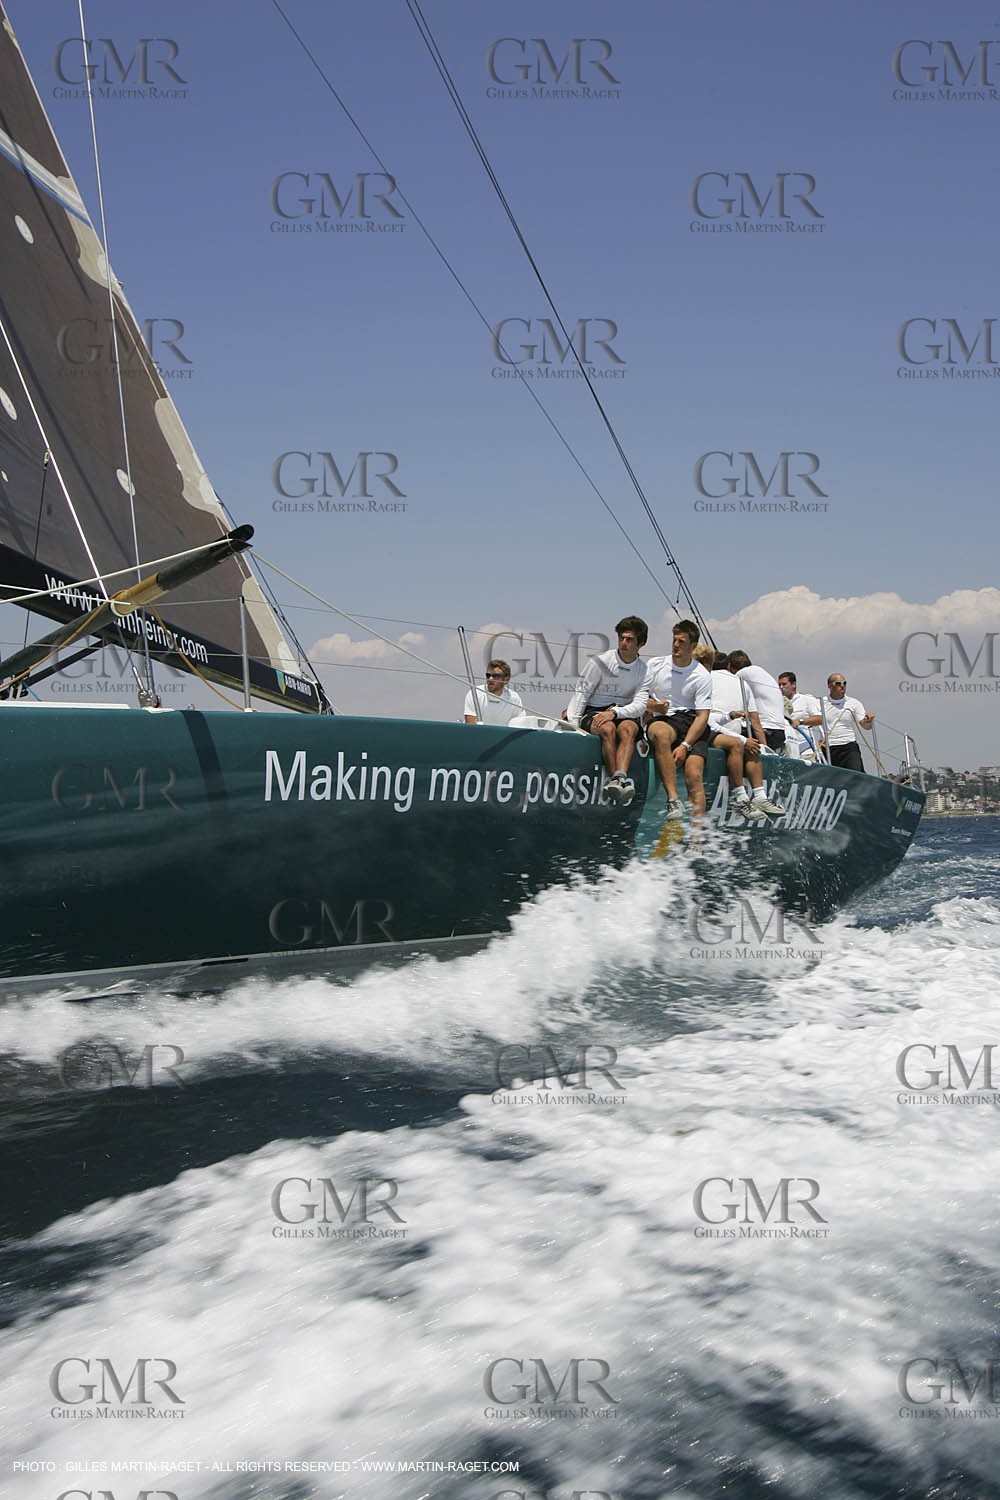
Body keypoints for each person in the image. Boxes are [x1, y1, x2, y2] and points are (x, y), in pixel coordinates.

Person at [687, 645, 784, 821]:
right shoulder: (736, 682)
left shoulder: (734, 682)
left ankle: (760, 796)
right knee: (740, 744)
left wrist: (758, 745)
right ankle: (741, 797)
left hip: (722, 732)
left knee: (750, 746)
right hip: (712, 733)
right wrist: (761, 745)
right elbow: (755, 722)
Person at [565, 616, 649, 804]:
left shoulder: (644, 670)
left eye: (629, 639)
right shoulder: (600, 662)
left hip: (623, 712)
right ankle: (617, 781)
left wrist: (615, 712)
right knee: (608, 728)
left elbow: (641, 705)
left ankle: (619, 779)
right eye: (621, 638)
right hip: (594, 711)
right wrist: (574, 725)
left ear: (641, 644)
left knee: (627, 728)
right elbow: (581, 694)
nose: (624, 643)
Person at [643, 620, 714, 821]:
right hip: (665, 718)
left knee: (694, 775)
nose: (675, 645)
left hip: (691, 722)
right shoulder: (655, 665)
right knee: (660, 733)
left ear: (692, 646)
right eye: (674, 640)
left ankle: (696, 840)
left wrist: (685, 745)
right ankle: (673, 799)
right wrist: (654, 706)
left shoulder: (701, 675)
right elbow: (639, 698)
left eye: (681, 642)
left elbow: (703, 716)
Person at [726, 650, 789, 755]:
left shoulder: (742, 673)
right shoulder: (760, 672)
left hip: (766, 730)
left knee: (726, 734)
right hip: (779, 731)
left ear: (729, 666)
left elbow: (725, 684)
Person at [820, 673, 874, 772]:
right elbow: (814, 721)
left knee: (856, 775)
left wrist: (868, 721)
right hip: (829, 747)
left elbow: (865, 726)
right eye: (838, 683)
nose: (842, 686)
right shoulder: (821, 703)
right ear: (829, 686)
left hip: (849, 746)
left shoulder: (854, 703)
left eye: (844, 683)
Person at [777, 670, 822, 762]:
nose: (781, 687)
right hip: (787, 749)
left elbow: (819, 719)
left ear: (793, 684)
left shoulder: (806, 699)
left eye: (784, 684)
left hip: (805, 749)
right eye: (779, 685)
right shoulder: (777, 704)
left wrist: (801, 721)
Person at [464, 659, 524, 725]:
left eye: (495, 676)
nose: (490, 679)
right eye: (488, 675)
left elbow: (521, 724)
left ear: (506, 679)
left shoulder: (514, 698)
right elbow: (470, 725)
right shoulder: (475, 693)